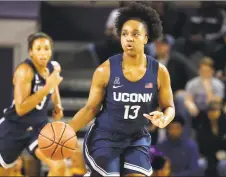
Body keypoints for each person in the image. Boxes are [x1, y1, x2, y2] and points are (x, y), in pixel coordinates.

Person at [69, 2, 175, 176]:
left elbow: (169, 107)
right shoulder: (105, 70)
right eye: (124, 34)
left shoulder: (159, 72)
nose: (129, 38)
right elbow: (91, 109)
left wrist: (165, 118)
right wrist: (67, 130)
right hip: (105, 137)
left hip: (137, 137)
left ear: (146, 38)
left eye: (135, 34)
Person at [0, 32, 67, 176]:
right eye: (38, 49)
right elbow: (20, 109)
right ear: (31, 52)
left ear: (51, 51)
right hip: (14, 127)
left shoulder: (54, 68)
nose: (43, 52)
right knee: (0, 174)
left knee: (59, 166)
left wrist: (58, 105)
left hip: (38, 127)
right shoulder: (24, 71)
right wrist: (46, 88)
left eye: (46, 48)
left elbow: (54, 85)